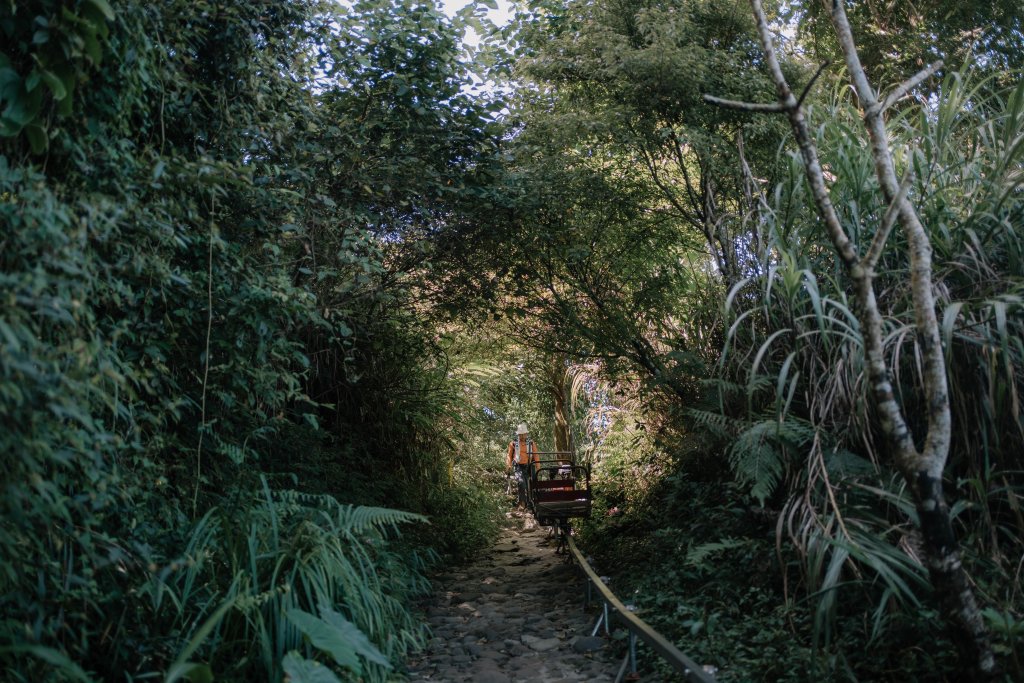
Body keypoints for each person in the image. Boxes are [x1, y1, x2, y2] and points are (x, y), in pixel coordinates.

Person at [505, 423, 539, 508]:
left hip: (529, 465)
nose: (522, 436)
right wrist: (508, 466)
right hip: (518, 466)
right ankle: (522, 503)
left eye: (523, 434)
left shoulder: (531, 443)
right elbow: (509, 455)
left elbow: (536, 455)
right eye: (520, 434)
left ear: (526, 434)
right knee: (521, 483)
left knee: (532, 483)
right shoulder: (513, 443)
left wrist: (538, 467)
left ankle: (532, 501)